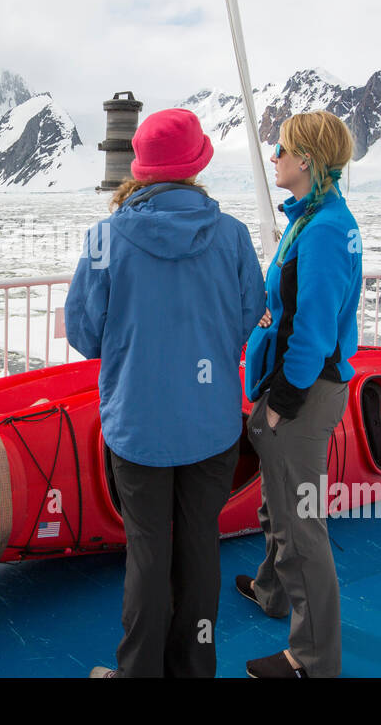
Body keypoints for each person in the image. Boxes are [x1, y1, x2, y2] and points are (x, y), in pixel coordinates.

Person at [64, 107, 265, 678]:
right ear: (196, 165)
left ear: (141, 169)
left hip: (138, 426)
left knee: (148, 551)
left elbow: (84, 333)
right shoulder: (230, 235)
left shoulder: (106, 237)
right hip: (212, 424)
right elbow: (248, 314)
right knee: (200, 544)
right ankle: (195, 671)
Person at [239, 110, 361, 679]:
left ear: (307, 159)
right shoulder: (313, 218)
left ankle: (312, 659)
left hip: (304, 396)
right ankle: (271, 590)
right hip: (300, 387)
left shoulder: (326, 229)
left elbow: (313, 331)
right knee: (278, 503)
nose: (275, 157)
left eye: (282, 149)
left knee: (301, 522)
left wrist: (279, 403)